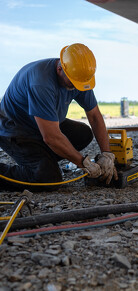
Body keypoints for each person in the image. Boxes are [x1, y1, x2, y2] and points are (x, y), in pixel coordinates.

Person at [0, 43, 117, 191]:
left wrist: (107, 154)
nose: (76, 87)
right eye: (73, 83)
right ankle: (33, 167)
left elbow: (94, 116)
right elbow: (51, 137)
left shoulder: (79, 78)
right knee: (47, 178)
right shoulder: (41, 83)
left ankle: (42, 160)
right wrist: (83, 163)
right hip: (16, 130)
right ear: (60, 68)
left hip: (40, 125)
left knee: (83, 134)